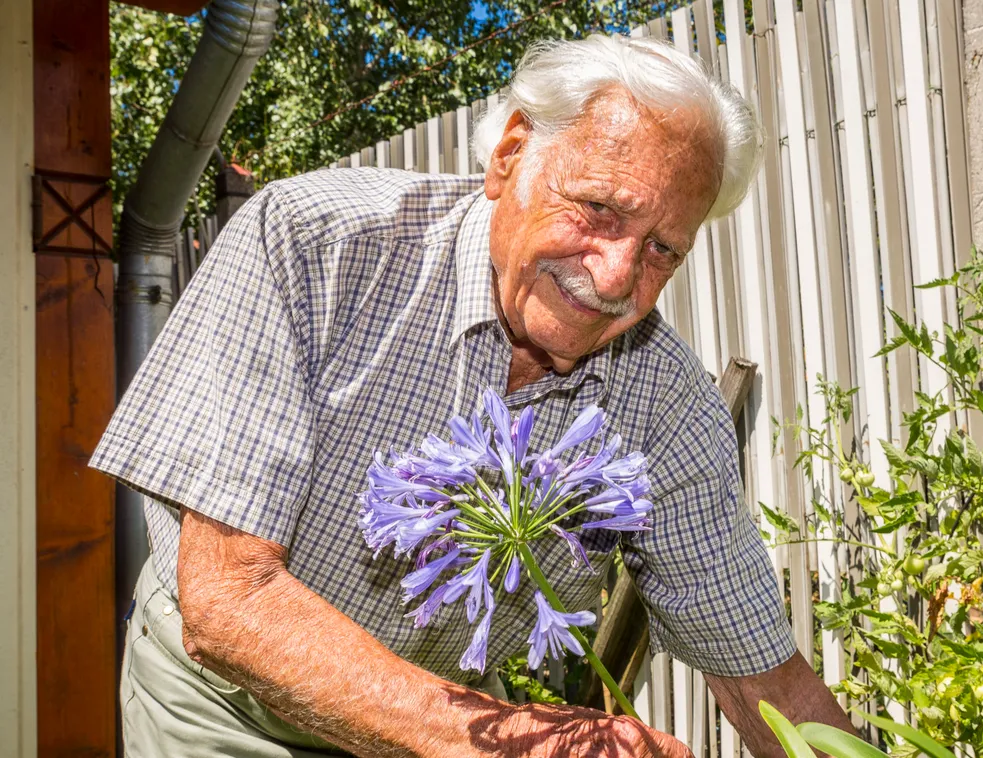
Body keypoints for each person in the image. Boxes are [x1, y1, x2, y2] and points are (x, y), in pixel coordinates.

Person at [92, 33, 853, 757]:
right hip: (227, 711)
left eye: (661, 249)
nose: (618, 277)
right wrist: (521, 743)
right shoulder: (313, 244)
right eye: (599, 210)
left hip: (454, 716)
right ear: (511, 153)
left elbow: (762, 673)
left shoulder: (664, 396)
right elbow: (230, 602)